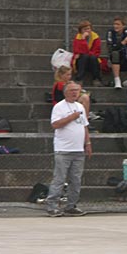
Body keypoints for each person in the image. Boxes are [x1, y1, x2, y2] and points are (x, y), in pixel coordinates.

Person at [45, 81, 91, 217]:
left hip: (78, 149)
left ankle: (71, 205)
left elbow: (84, 125)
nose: (74, 93)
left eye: (77, 90)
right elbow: (55, 124)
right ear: (65, 92)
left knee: (76, 179)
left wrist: (87, 142)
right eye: (71, 90)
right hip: (63, 149)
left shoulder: (80, 107)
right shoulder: (59, 107)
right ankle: (52, 205)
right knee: (59, 179)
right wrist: (71, 117)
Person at [72, 20, 102, 86]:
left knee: (93, 57)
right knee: (84, 56)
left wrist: (86, 53)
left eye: (88, 29)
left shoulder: (95, 37)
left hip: (92, 60)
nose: (87, 31)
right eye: (85, 29)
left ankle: (96, 79)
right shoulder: (78, 37)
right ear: (81, 30)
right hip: (81, 60)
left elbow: (96, 52)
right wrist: (83, 39)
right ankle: (79, 79)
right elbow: (77, 50)